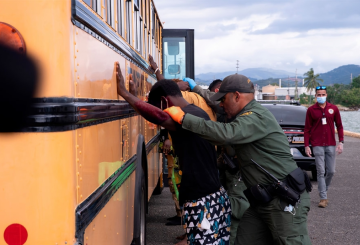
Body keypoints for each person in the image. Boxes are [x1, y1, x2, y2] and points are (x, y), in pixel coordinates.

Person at [164, 74, 312, 245]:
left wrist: (184, 118)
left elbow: (227, 134)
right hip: (260, 201)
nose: (220, 104)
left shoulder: (256, 116)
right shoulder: (242, 117)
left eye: (223, 99)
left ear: (236, 96)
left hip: (283, 201)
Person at [115, 62, 231, 245]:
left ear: (164, 101)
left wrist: (125, 94)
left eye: (159, 106)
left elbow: (158, 116)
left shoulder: (185, 117)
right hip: (210, 195)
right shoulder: (196, 112)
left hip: (203, 199)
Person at [304, 85, 344, 208]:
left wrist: (341, 142)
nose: (321, 97)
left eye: (323, 94)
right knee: (321, 171)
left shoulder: (334, 109)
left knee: (331, 171)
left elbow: (340, 126)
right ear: (315, 96)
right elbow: (306, 130)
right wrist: (307, 146)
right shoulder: (311, 110)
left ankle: (324, 190)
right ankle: (323, 198)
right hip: (317, 145)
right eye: (319, 95)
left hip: (331, 144)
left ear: (326, 95)